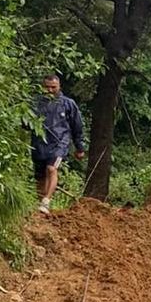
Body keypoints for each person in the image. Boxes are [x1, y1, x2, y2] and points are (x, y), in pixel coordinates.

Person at [29, 74, 86, 214]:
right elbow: (26, 123)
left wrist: (80, 147)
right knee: (40, 175)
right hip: (39, 143)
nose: (50, 90)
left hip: (60, 143)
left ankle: (47, 200)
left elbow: (77, 126)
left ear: (59, 86)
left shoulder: (68, 104)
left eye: (53, 87)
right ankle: (41, 206)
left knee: (51, 169)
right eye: (47, 87)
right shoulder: (35, 103)